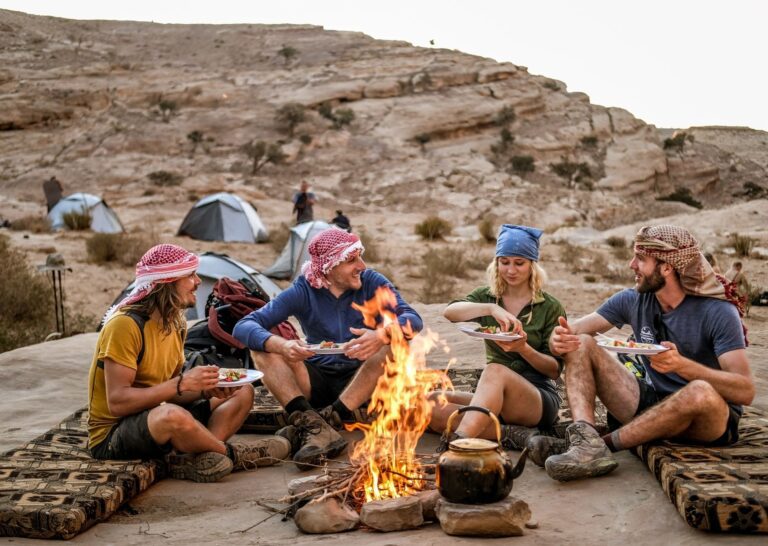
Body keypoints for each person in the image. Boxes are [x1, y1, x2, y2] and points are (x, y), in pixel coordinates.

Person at [533, 225, 753, 482]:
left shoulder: (718, 313)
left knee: (699, 391)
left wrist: (681, 365)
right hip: (650, 401)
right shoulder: (632, 299)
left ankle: (602, 445)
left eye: (640, 258)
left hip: (707, 419)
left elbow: (745, 391)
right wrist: (556, 340)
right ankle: (584, 440)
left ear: (667, 267)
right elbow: (573, 330)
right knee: (580, 342)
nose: (631, 265)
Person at [87, 244, 290, 482]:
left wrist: (203, 389)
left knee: (242, 391)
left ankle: (195, 458)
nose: (197, 282)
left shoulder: (176, 323)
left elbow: (172, 392)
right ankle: (232, 455)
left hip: (156, 413)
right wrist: (182, 384)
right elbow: (118, 403)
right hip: (114, 434)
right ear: (167, 282)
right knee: (171, 416)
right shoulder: (125, 326)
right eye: (190, 276)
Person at [233, 228, 423, 470]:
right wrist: (283, 345)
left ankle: (326, 420)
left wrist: (381, 334)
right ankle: (311, 421)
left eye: (360, 257)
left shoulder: (372, 282)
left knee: (397, 342)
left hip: (366, 380)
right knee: (262, 349)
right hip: (317, 378)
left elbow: (413, 319)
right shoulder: (303, 290)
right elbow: (244, 326)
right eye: (352, 260)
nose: (362, 265)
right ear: (328, 266)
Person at [430, 225, 565, 450]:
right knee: (428, 401)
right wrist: (490, 310)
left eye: (519, 263)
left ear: (532, 265)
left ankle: (456, 445)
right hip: (492, 395)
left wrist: (523, 349)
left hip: (535, 398)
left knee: (495, 370)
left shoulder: (550, 307)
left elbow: (553, 370)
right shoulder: (487, 296)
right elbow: (450, 312)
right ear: (497, 263)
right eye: (505, 262)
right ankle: (513, 434)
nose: (511, 270)